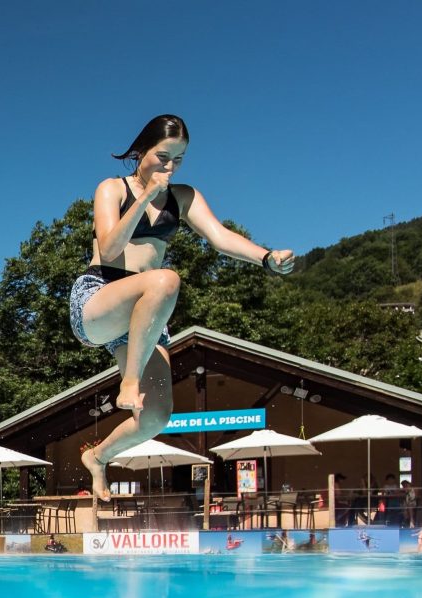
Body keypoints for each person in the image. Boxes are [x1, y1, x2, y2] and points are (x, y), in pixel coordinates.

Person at [72, 115, 296, 500]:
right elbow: (108, 248)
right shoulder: (112, 189)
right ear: (141, 151)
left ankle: (98, 457)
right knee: (166, 279)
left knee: (157, 416)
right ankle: (128, 381)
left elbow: (220, 237)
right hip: (100, 298)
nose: (169, 166)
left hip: (145, 317)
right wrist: (143, 197)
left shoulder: (183, 197)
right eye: (163, 156)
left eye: (178, 159)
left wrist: (265, 257)